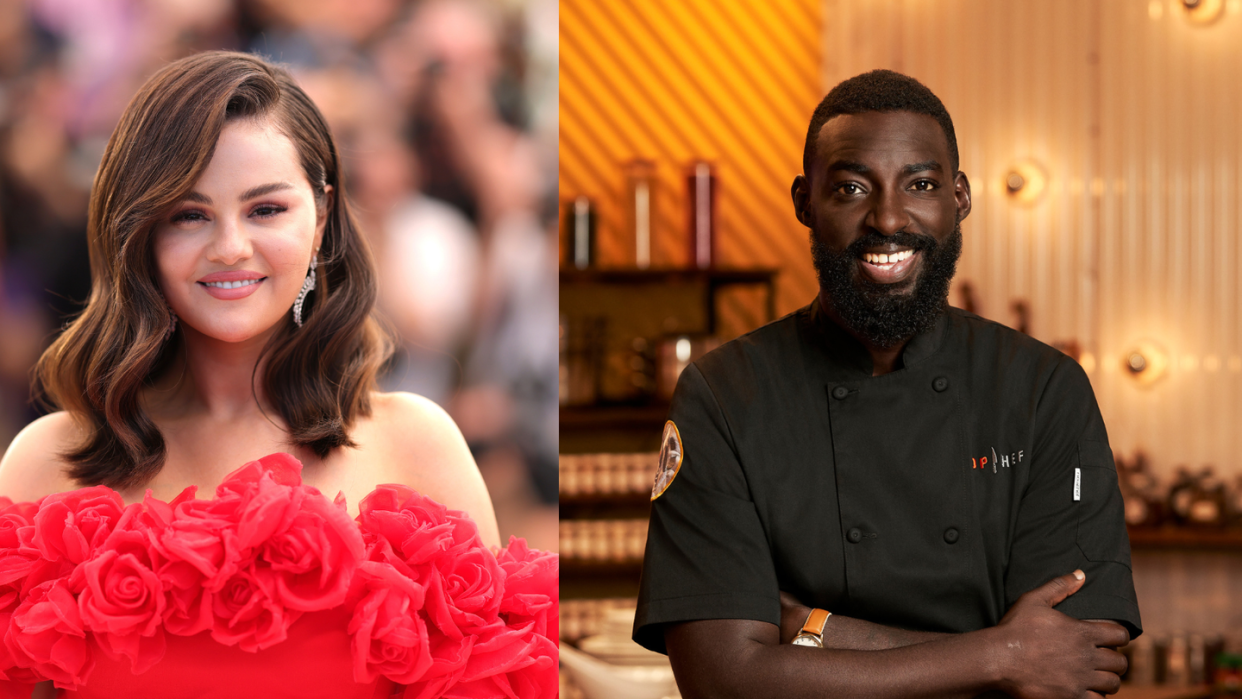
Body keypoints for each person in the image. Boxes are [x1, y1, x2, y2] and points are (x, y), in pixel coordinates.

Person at [0, 51, 557, 699]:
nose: (230, 245)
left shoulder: (417, 443)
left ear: (320, 217)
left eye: (265, 209)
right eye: (189, 214)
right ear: (139, 231)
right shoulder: (48, 459)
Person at [633, 69, 1140, 698]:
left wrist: (811, 629)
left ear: (959, 197)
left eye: (920, 184)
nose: (889, 218)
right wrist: (1001, 653)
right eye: (850, 187)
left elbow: (1078, 662)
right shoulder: (725, 394)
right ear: (804, 202)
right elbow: (720, 679)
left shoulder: (1042, 389)